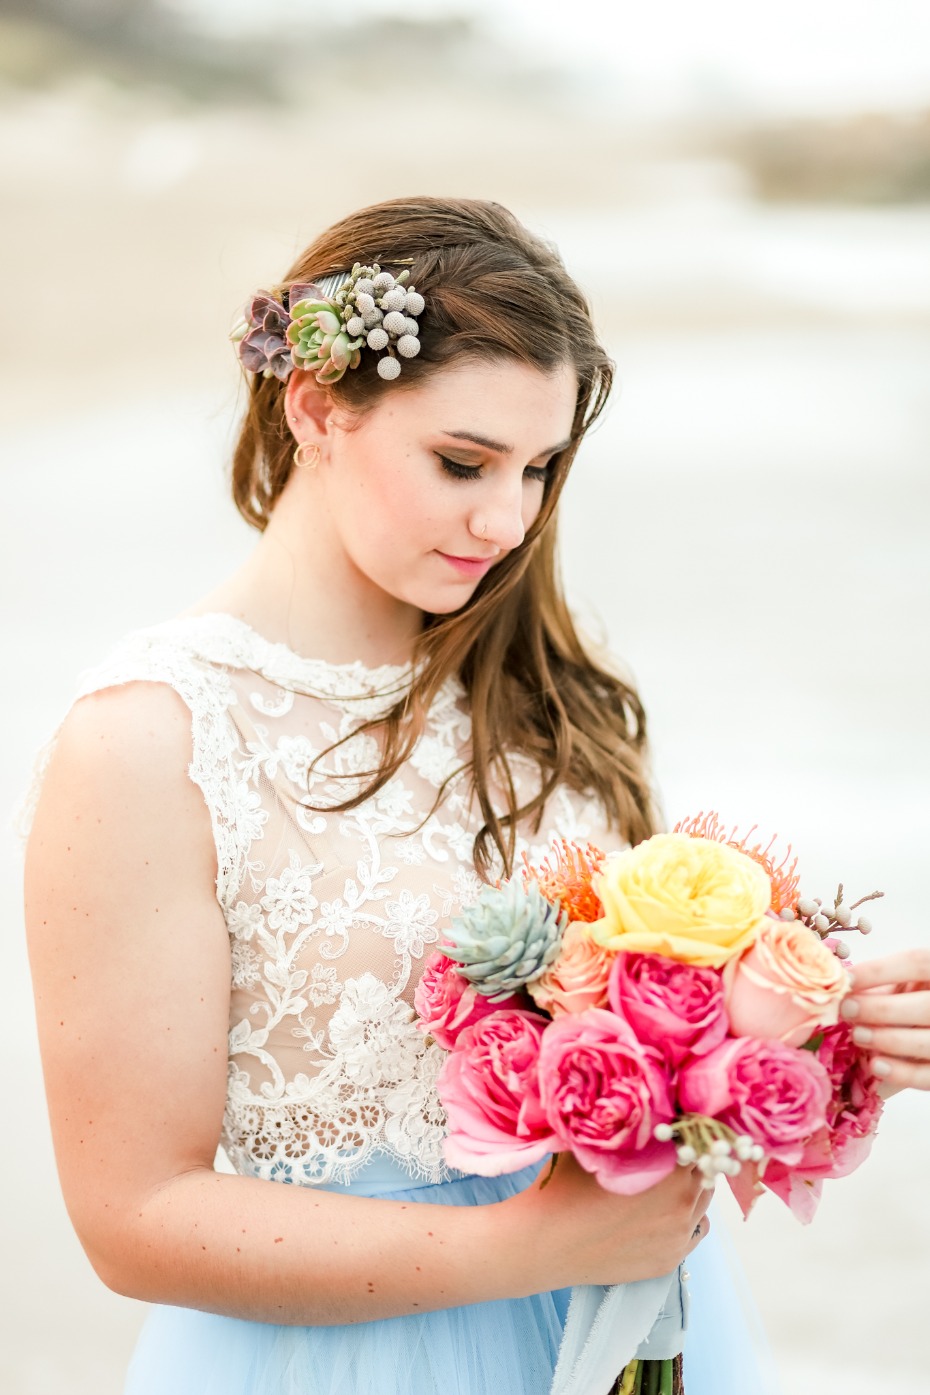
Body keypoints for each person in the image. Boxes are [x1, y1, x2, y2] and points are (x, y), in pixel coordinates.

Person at [23, 197, 929, 1395]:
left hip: (628, 1334)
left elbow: (632, 1079)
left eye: (540, 469)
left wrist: (798, 1025)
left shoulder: (549, 703)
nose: (506, 521)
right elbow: (131, 1216)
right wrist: (520, 1247)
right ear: (316, 408)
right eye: (462, 463)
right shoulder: (150, 743)